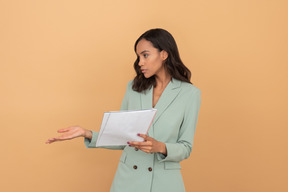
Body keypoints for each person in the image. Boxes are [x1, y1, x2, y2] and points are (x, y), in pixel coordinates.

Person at [46, 28, 201, 192]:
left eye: (145, 55)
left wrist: (161, 147)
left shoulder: (190, 94)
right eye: (138, 56)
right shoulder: (134, 87)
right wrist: (87, 133)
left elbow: (186, 147)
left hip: (164, 182)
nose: (140, 62)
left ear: (164, 54)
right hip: (128, 180)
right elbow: (121, 137)